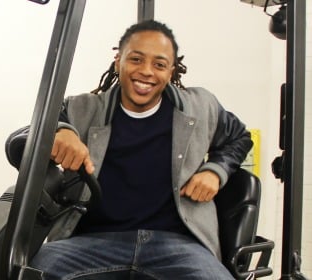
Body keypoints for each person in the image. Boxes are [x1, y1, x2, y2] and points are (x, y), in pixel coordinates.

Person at [28, 20, 253, 280]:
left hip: (177, 246)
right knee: (31, 273)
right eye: (136, 60)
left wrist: (215, 170)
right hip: (91, 243)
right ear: (118, 61)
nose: (146, 72)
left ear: (171, 71)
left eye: (159, 64)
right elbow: (24, 136)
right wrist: (61, 130)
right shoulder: (82, 108)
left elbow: (240, 137)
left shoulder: (201, 107)